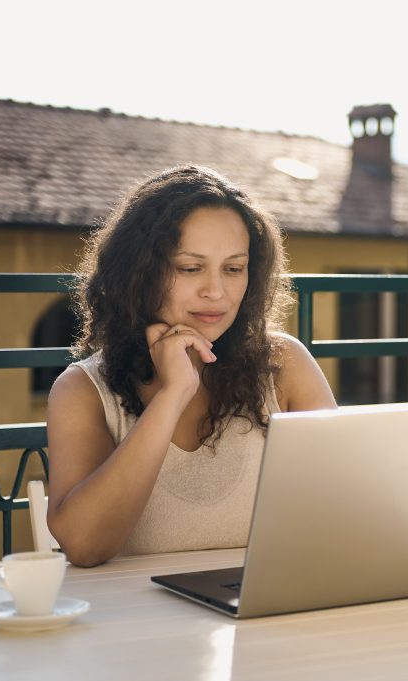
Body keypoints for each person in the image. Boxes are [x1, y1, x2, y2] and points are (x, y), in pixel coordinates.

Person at [45, 164, 336, 567]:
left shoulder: (284, 366)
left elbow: (345, 509)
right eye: (189, 268)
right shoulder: (82, 390)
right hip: (136, 625)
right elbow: (85, 544)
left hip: (260, 618)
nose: (215, 292)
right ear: (139, 272)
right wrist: (173, 394)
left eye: (233, 269)